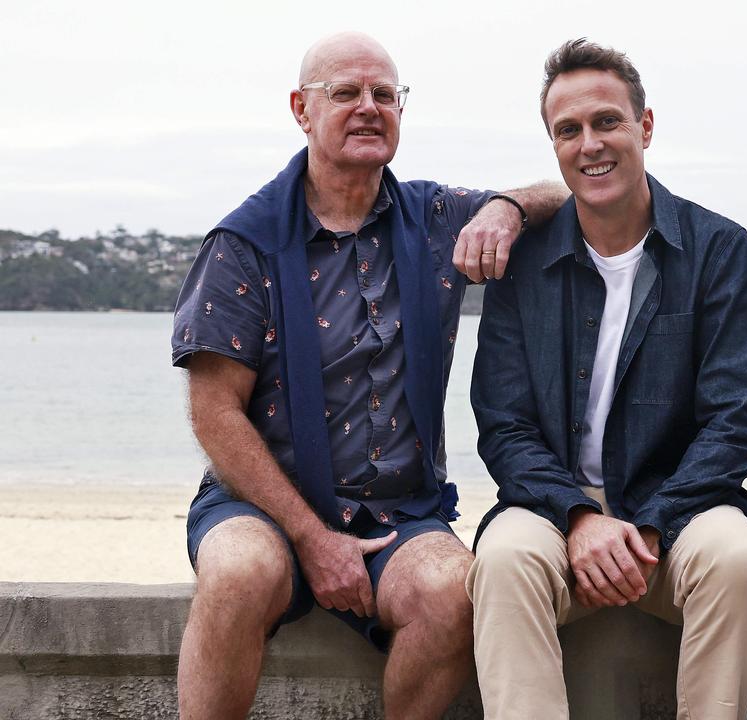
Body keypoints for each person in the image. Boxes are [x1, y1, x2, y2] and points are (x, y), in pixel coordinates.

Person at [171, 32, 566, 720]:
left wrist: (506, 206)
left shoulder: (438, 218)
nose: (368, 107)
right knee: (236, 575)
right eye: (345, 93)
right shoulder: (242, 243)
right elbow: (214, 415)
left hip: (400, 511)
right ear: (301, 108)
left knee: (455, 591)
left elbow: (565, 196)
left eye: (385, 94)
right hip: (261, 506)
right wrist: (312, 537)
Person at [466, 38, 747, 720]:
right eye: (568, 130)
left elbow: (738, 419)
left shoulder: (718, 248)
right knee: (504, 558)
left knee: (739, 559)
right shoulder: (523, 264)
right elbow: (503, 423)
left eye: (606, 120)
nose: (590, 144)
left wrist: (652, 526)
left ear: (646, 126)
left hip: (681, 513)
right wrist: (579, 518)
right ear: (553, 145)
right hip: (557, 511)